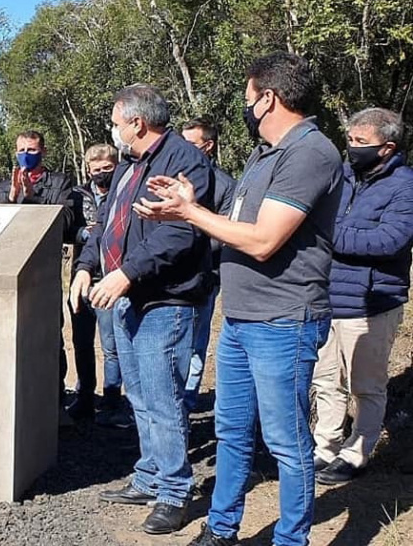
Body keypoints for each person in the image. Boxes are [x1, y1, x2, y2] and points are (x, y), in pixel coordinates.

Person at [133, 52, 343, 546]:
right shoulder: (264, 154)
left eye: (249, 98)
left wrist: (189, 214)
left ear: (268, 98)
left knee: (286, 443)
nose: (245, 107)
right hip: (242, 318)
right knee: (231, 432)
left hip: (284, 320)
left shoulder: (310, 153)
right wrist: (190, 204)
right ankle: (222, 529)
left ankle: (290, 539)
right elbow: (237, 224)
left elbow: (264, 240)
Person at [70, 85, 214, 535]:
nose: (113, 131)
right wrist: (86, 266)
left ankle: (174, 491)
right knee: (139, 395)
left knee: (163, 397)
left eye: (116, 123)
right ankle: (150, 475)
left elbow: (180, 233)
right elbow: (106, 225)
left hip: (164, 300)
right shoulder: (128, 166)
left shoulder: (184, 161)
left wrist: (126, 273)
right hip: (127, 296)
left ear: (137, 122)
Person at [312, 107, 413, 485]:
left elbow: (390, 240)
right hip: (326, 297)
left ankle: (357, 452)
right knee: (326, 380)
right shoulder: (340, 176)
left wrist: (329, 235)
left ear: (387, 148)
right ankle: (325, 446)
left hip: (372, 303)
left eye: (361, 142)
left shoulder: (405, 186)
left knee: (366, 385)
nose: (352, 147)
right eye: (350, 139)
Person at [0, 131, 76, 419]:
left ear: (43, 151)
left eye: (31, 149)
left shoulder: (60, 183)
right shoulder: (4, 186)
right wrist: (12, 198)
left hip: (45, 273)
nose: (26, 155)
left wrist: (32, 198)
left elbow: (66, 222)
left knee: (50, 338)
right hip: (10, 273)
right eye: (21, 149)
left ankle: (55, 403)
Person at [67, 144, 130, 427]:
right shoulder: (76, 195)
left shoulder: (123, 193)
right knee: (81, 343)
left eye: (107, 168)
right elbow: (65, 227)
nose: (102, 173)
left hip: (110, 279)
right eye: (96, 169)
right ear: (88, 169)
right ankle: (84, 397)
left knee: (111, 344)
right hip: (81, 277)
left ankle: (113, 399)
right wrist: (84, 233)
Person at [180, 118, 236, 413]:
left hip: (205, 275)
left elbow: (227, 232)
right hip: (168, 274)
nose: (183, 149)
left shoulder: (224, 185)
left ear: (208, 146)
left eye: (190, 144)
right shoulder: (170, 177)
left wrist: (186, 238)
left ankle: (187, 401)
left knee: (194, 342)